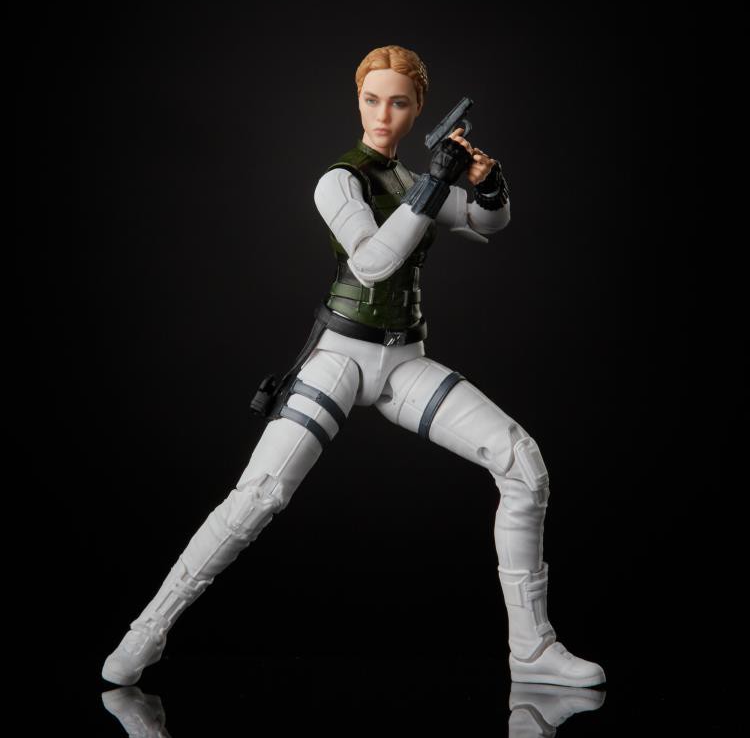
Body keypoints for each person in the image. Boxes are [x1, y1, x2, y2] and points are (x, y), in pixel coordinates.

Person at [102, 44, 605, 688]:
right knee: (259, 495)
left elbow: (488, 222)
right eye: (372, 99)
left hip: (403, 361)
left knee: (522, 464)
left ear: (418, 109)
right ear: (357, 100)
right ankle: (147, 630)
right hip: (341, 354)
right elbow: (371, 262)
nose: (383, 115)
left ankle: (531, 650)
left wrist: (485, 181)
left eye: (399, 103)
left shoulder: (407, 180)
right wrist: (433, 184)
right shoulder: (339, 180)